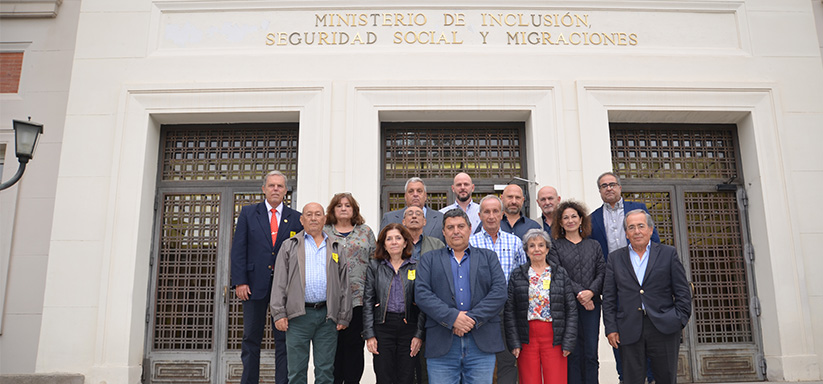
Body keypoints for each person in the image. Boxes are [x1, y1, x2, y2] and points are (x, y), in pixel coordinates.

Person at [415, 209, 508, 384]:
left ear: (470, 228)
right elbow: (422, 294)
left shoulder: (489, 257)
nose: (455, 231)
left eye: (460, 226)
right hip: (442, 343)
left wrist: (470, 318)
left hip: (481, 342)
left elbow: (499, 292)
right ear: (443, 232)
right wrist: (453, 318)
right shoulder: (429, 259)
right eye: (450, 227)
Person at [603, 210, 692, 384]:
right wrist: (611, 328)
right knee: (631, 379)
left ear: (650, 230)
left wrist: (679, 319)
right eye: (631, 227)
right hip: (628, 328)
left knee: (666, 378)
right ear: (626, 234)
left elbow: (682, 291)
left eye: (641, 226)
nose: (637, 231)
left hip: (664, 327)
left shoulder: (668, 253)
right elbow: (609, 297)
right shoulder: (615, 258)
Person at [231, 170, 303, 384]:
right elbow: (238, 249)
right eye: (271, 185)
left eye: (280, 186)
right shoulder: (248, 213)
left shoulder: (296, 218)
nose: (275, 189)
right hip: (253, 285)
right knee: (251, 338)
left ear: (286, 190)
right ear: (263, 189)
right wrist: (240, 281)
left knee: (283, 339)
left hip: (285, 289)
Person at [588, 171, 659, 383]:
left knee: (649, 330)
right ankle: (625, 377)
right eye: (603, 186)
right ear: (599, 191)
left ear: (620, 187)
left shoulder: (638, 210)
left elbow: (654, 242)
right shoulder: (592, 219)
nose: (608, 188)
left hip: (643, 281)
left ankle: (651, 376)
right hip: (615, 283)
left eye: (612, 184)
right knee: (619, 332)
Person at [270, 203, 352, 384]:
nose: (313, 218)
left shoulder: (336, 246)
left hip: (327, 317)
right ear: (302, 219)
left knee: (325, 371)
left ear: (324, 219)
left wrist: (344, 315)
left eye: (317, 214)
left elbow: (345, 283)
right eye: (309, 214)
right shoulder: (289, 246)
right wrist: (279, 313)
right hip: (298, 317)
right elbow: (279, 283)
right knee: (296, 371)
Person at [504, 229, 578, 384]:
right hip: (527, 336)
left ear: (547, 249)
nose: (536, 249)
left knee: (556, 379)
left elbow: (571, 309)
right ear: (526, 250)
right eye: (532, 246)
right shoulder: (517, 275)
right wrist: (514, 342)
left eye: (540, 245)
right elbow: (510, 311)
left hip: (554, 336)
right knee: (530, 379)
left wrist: (568, 341)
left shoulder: (559, 273)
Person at [469, 195, 526, 384]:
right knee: (479, 361)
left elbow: (522, 278)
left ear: (502, 214)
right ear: (479, 215)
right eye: (487, 212)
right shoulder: (471, 244)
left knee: (508, 360)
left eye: (495, 211)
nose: (491, 216)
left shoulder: (515, 242)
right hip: (480, 310)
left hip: (508, 311)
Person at [549, 201, 605, 384]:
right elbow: (558, 273)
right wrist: (582, 294)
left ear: (581, 220)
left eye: (574, 216)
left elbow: (602, 272)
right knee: (572, 353)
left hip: (592, 306)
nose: (570, 220)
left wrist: (591, 292)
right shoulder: (555, 246)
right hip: (567, 307)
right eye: (565, 217)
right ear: (560, 222)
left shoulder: (594, 245)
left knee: (590, 353)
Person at [363, 224, 426, 384]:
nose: (394, 242)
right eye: (389, 239)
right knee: (384, 376)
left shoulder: (417, 266)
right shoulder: (375, 266)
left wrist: (418, 334)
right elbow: (368, 301)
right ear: (383, 244)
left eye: (398, 238)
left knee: (406, 377)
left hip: (408, 327)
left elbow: (423, 305)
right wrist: (369, 334)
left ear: (405, 242)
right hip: (383, 327)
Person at [324, 193, 376, 384]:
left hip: (359, 299)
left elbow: (375, 262)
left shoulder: (365, 232)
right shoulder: (324, 232)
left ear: (354, 209)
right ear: (333, 210)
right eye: (339, 205)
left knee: (354, 347)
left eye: (348, 205)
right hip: (330, 300)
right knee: (333, 347)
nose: (343, 208)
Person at [381, 177, 445, 242]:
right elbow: (381, 247)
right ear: (405, 196)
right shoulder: (389, 218)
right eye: (411, 191)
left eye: (419, 191)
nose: (415, 194)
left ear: (425, 196)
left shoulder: (441, 218)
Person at [476, 184, 541, 240]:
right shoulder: (487, 223)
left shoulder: (533, 227)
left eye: (517, 198)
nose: (514, 201)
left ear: (523, 200)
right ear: (502, 198)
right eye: (510, 197)